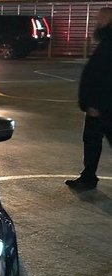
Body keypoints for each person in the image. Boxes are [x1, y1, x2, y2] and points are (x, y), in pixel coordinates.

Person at [66, 7, 112, 190]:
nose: (97, 23)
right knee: (92, 141)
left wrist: (95, 103)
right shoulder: (106, 41)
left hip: (102, 106)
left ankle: (88, 178)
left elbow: (105, 76)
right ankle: (88, 176)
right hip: (100, 104)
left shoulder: (109, 43)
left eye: (101, 19)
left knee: (93, 141)